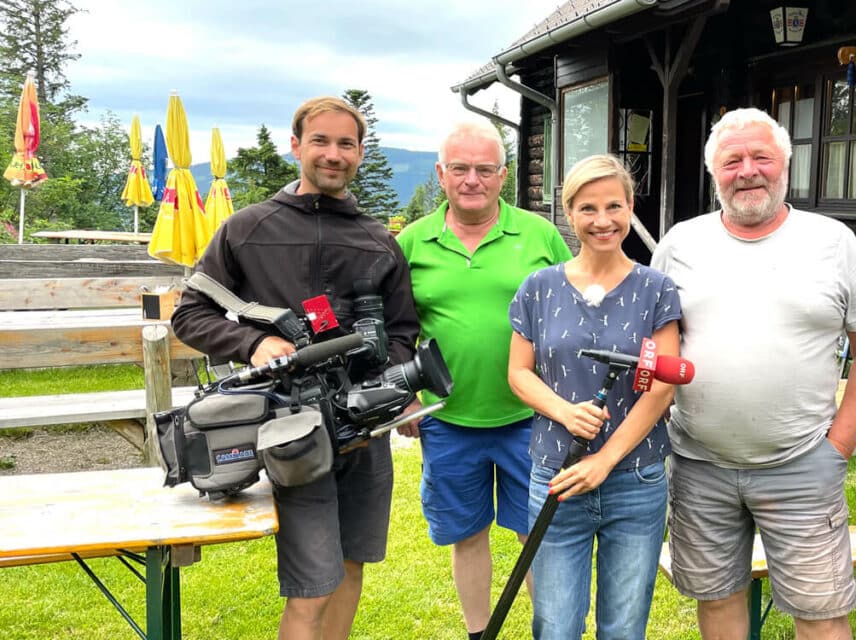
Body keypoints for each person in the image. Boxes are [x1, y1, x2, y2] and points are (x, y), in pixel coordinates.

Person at [171, 96, 419, 640]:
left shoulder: (379, 241)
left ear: (360, 153)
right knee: (312, 586)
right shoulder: (246, 229)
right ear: (296, 146)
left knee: (351, 567)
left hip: (364, 429)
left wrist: (391, 390)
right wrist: (252, 341)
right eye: (321, 141)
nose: (334, 155)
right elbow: (190, 313)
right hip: (291, 431)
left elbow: (402, 330)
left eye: (346, 144)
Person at [651, 108, 856, 640]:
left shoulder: (831, 241)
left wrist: (839, 446)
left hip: (803, 462)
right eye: (732, 159)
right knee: (717, 602)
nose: (748, 170)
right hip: (698, 464)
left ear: (786, 164)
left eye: (762, 156)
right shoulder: (679, 244)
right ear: (713, 170)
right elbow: (654, 343)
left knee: (822, 613)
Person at [395, 119, 572, 639]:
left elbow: (572, 306)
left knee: (536, 535)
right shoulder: (411, 243)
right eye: (460, 168)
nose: (472, 179)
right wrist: (406, 396)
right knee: (466, 534)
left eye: (485, 169)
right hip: (447, 420)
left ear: (503, 175)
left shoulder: (539, 234)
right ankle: (479, 634)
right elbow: (394, 330)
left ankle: (553, 632)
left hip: (530, 418)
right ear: (440, 174)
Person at [507, 154, 682, 639]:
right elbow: (519, 374)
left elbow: (662, 383)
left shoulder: (657, 290)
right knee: (555, 623)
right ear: (568, 212)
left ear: (629, 208)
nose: (602, 221)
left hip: (635, 478)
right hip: (557, 474)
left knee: (624, 626)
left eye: (613, 206)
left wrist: (605, 459)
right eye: (587, 208)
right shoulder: (537, 289)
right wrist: (565, 411)